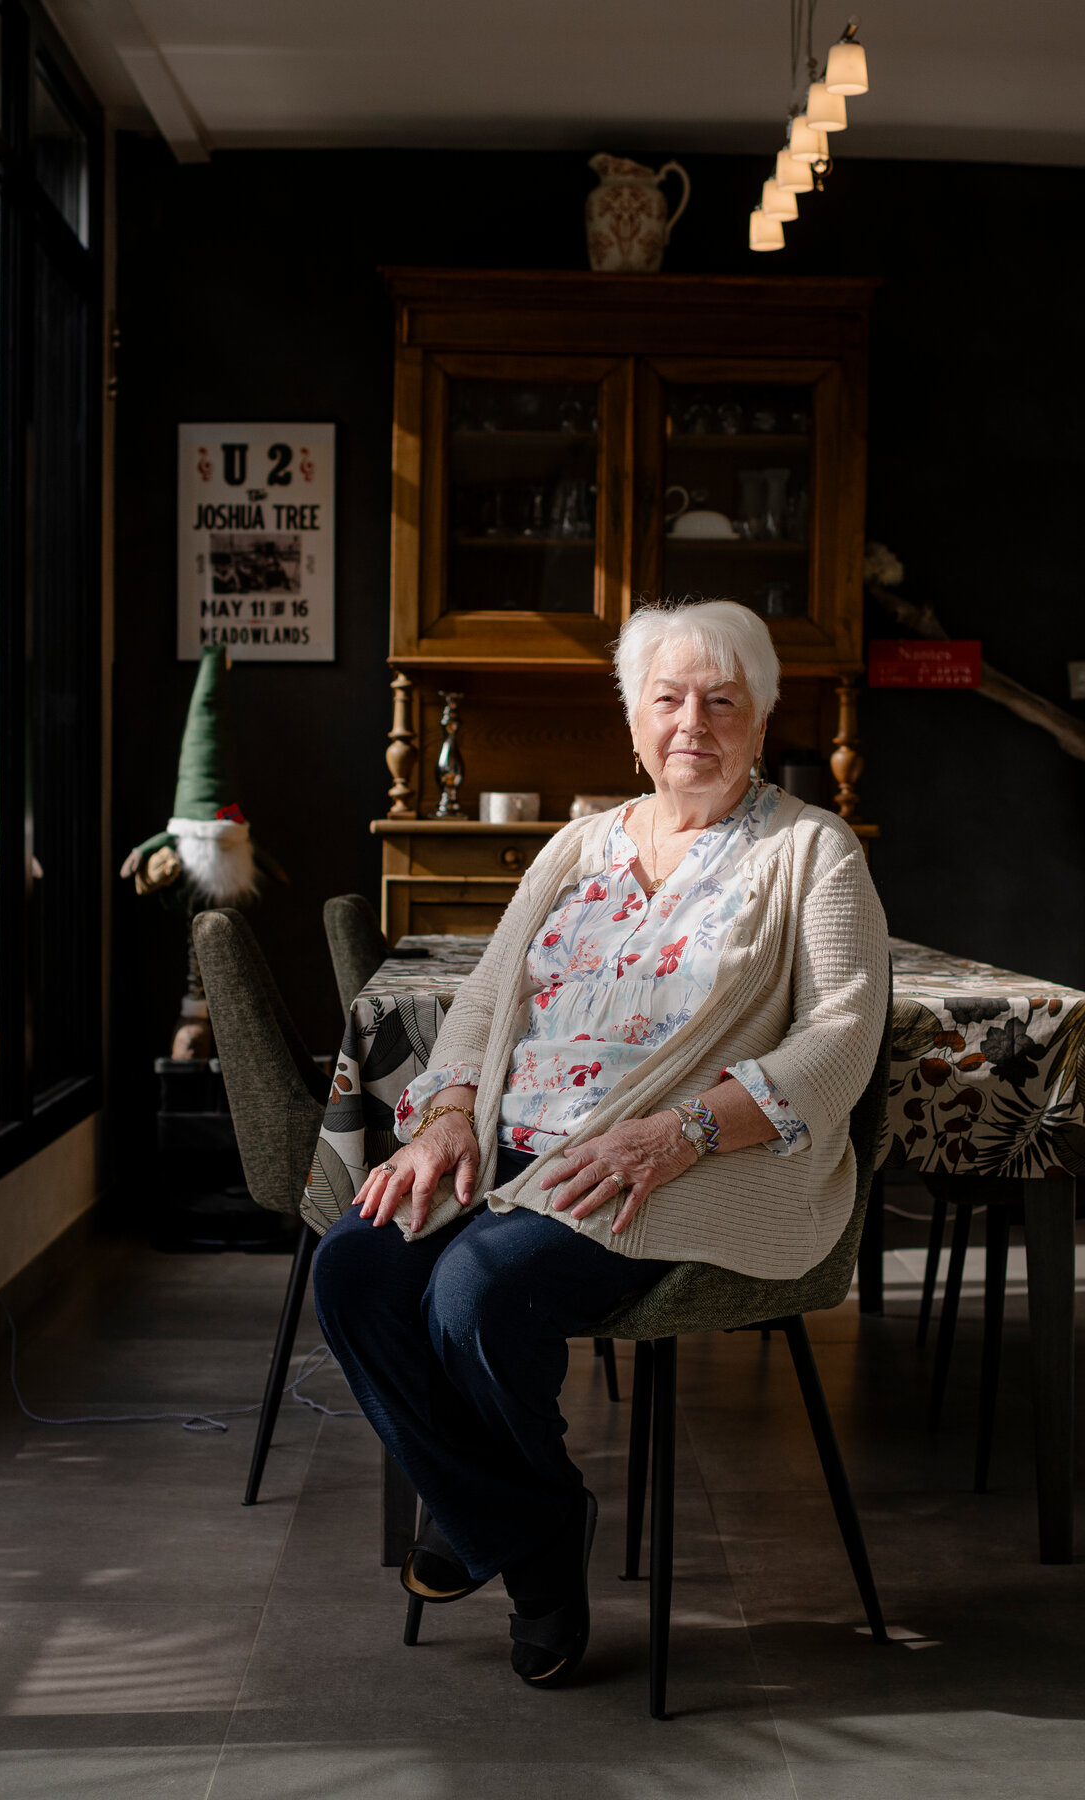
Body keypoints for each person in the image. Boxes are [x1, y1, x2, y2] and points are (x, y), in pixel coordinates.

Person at [312, 598, 889, 1689]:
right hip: (512, 1143)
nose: (692, 724)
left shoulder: (812, 849)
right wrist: (445, 1117)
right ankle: (530, 1523)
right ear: (633, 723)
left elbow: (842, 1037)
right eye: (668, 700)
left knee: (477, 1291)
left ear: (762, 721)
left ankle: (518, 1559)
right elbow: (486, 1000)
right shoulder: (579, 845)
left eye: (722, 702)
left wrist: (678, 1133)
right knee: (353, 1270)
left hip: (687, 1162)